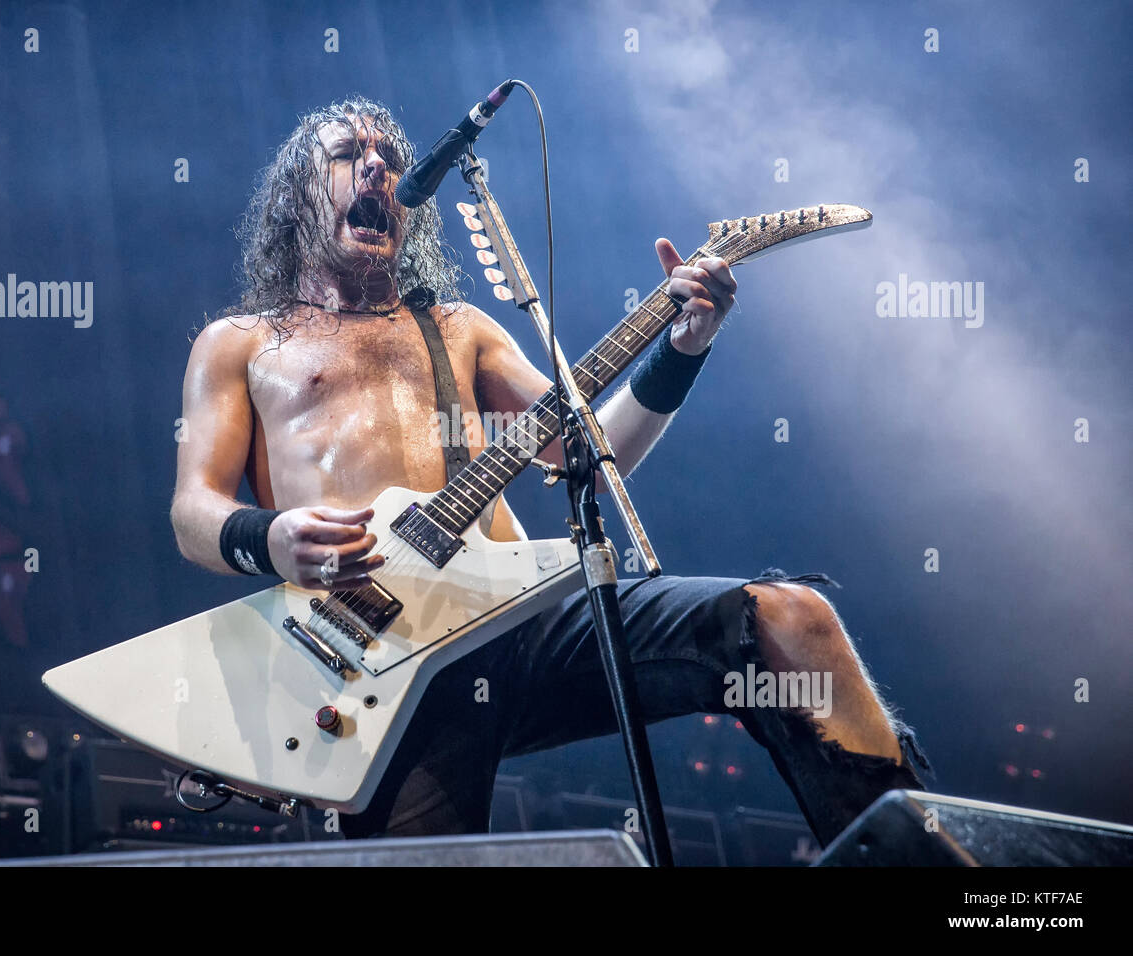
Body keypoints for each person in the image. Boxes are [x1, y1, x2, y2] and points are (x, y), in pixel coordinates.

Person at [169, 95, 928, 847]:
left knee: (789, 620)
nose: (377, 167)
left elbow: (593, 457)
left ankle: (921, 857)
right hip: (380, 663)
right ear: (298, 197)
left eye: (391, 159)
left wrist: (683, 347)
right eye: (347, 156)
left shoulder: (458, 330)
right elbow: (193, 513)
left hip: (519, 622)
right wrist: (271, 539)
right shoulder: (241, 344)